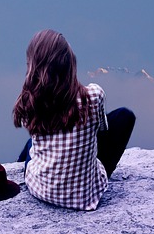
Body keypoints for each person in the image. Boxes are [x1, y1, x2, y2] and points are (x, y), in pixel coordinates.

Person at [13, 29, 135, 211]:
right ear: (70, 62)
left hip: (41, 190)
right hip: (86, 196)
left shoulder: (30, 102)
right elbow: (101, 131)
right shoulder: (94, 95)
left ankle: (16, 166)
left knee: (32, 143)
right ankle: (87, 176)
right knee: (124, 116)